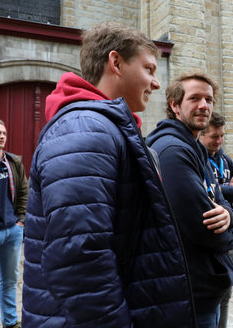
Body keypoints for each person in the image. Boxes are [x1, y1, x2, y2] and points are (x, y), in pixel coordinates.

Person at [22, 22, 195, 328]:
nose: (156, 83)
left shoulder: (103, 126)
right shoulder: (85, 127)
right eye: (149, 69)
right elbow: (78, 258)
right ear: (115, 62)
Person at [145, 73, 233, 328]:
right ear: (175, 105)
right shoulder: (173, 151)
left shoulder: (195, 147)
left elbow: (219, 197)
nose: (204, 105)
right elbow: (202, 225)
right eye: (194, 98)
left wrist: (229, 216)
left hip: (204, 289)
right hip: (188, 293)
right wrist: (231, 233)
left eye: (209, 99)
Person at [199, 111, 233, 328]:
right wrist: (228, 189)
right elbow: (207, 197)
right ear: (202, 135)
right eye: (214, 136)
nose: (218, 141)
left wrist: (221, 190)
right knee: (213, 295)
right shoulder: (199, 160)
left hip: (232, 234)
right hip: (213, 237)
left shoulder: (225, 160)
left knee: (227, 291)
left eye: (222, 136)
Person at [0, 120, 27, 328]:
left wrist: (21, 221)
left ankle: (11, 323)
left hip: (12, 230)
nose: (2, 136)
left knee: (10, 281)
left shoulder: (13, 162)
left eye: (4, 132)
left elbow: (24, 192)